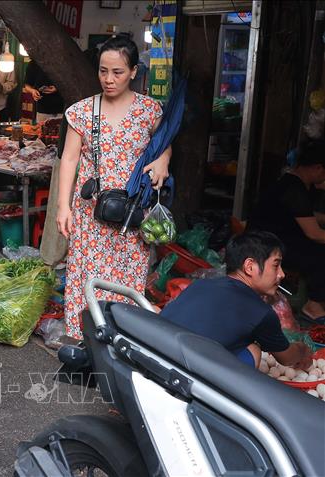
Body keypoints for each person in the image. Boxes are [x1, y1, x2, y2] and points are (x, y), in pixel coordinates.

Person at [56, 36, 171, 339]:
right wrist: (62, 206)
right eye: (103, 71)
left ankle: (123, 342)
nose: (109, 79)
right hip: (89, 213)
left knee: (129, 281)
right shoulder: (82, 111)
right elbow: (69, 159)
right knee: (87, 279)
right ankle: (85, 346)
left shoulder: (150, 111)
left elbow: (163, 146)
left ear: (134, 71)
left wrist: (163, 161)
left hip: (133, 214)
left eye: (117, 72)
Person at [161, 231, 313, 370]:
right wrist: (303, 350)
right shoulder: (261, 312)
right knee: (254, 350)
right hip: (190, 375)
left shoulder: (201, 284)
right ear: (250, 267)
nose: (281, 274)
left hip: (156, 353)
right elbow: (286, 358)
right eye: (276, 265)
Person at [249, 139, 325, 324]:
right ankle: (313, 306)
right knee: (320, 251)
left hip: (276, 237)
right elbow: (314, 233)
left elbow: (307, 215)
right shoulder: (293, 188)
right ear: (317, 168)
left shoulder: (298, 183)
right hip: (264, 243)